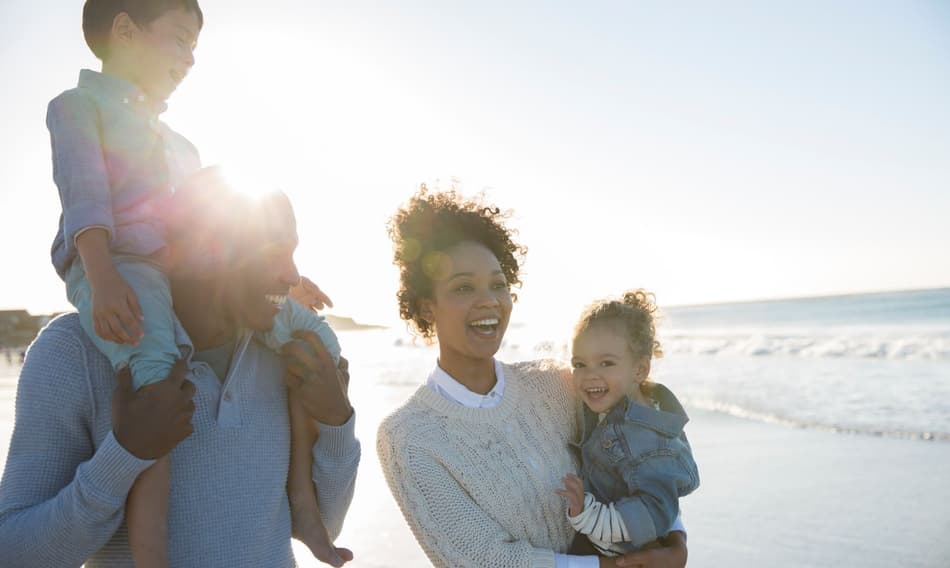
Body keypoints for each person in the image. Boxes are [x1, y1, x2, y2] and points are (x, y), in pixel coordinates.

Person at [47, 1, 344, 564]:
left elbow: (217, 231)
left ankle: (304, 506)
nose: (188, 59)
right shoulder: (77, 108)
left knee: (314, 346)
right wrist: (102, 276)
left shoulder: (181, 147)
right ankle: (151, 552)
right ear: (126, 31)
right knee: (158, 382)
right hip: (119, 266)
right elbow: (82, 194)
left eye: (195, 48)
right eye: (180, 40)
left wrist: (286, 274)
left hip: (177, 275)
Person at [0, 177, 361, 567]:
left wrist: (337, 420)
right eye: (274, 252)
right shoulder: (74, 351)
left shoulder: (279, 350)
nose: (292, 276)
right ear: (208, 251)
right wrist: (125, 456)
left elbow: (324, 525)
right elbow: (15, 553)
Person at [377, 187, 688, 568]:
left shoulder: (556, 385)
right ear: (427, 306)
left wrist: (674, 536)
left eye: (498, 284)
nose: (489, 300)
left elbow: (641, 451)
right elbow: (483, 560)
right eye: (463, 287)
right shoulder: (409, 438)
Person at [557, 291, 699, 557]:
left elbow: (654, 513)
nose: (590, 375)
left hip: (614, 552)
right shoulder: (623, 405)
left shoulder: (647, 441)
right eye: (580, 364)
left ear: (639, 370)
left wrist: (586, 514)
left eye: (606, 363)